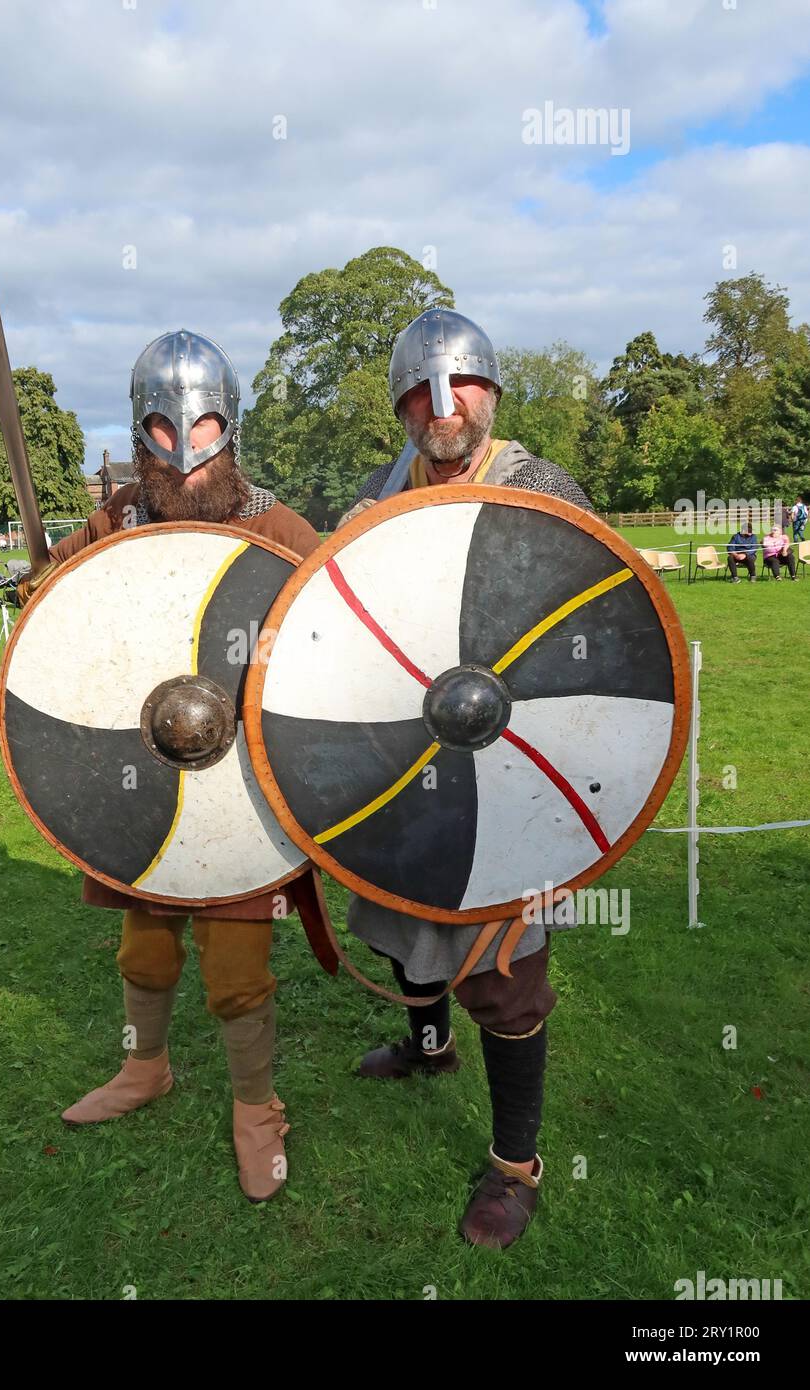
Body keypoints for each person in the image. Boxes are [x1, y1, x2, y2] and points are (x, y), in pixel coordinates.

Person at [24, 330, 320, 1203]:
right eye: (163, 428)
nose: (185, 452)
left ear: (232, 430)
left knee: (236, 966)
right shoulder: (117, 523)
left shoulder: (276, 527)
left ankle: (256, 1107)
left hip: (244, 786)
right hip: (141, 769)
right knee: (144, 947)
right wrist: (46, 582)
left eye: (204, 430)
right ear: (140, 429)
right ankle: (145, 1067)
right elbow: (58, 610)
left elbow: (341, 633)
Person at [340, 307, 594, 1250]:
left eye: (462, 384)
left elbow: (593, 628)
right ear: (401, 403)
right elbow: (340, 614)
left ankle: (515, 1167)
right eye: (421, 388)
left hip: (513, 753)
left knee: (506, 970)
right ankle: (427, 1045)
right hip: (406, 755)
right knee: (403, 924)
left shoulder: (537, 486)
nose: (443, 405)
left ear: (492, 389)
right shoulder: (379, 492)